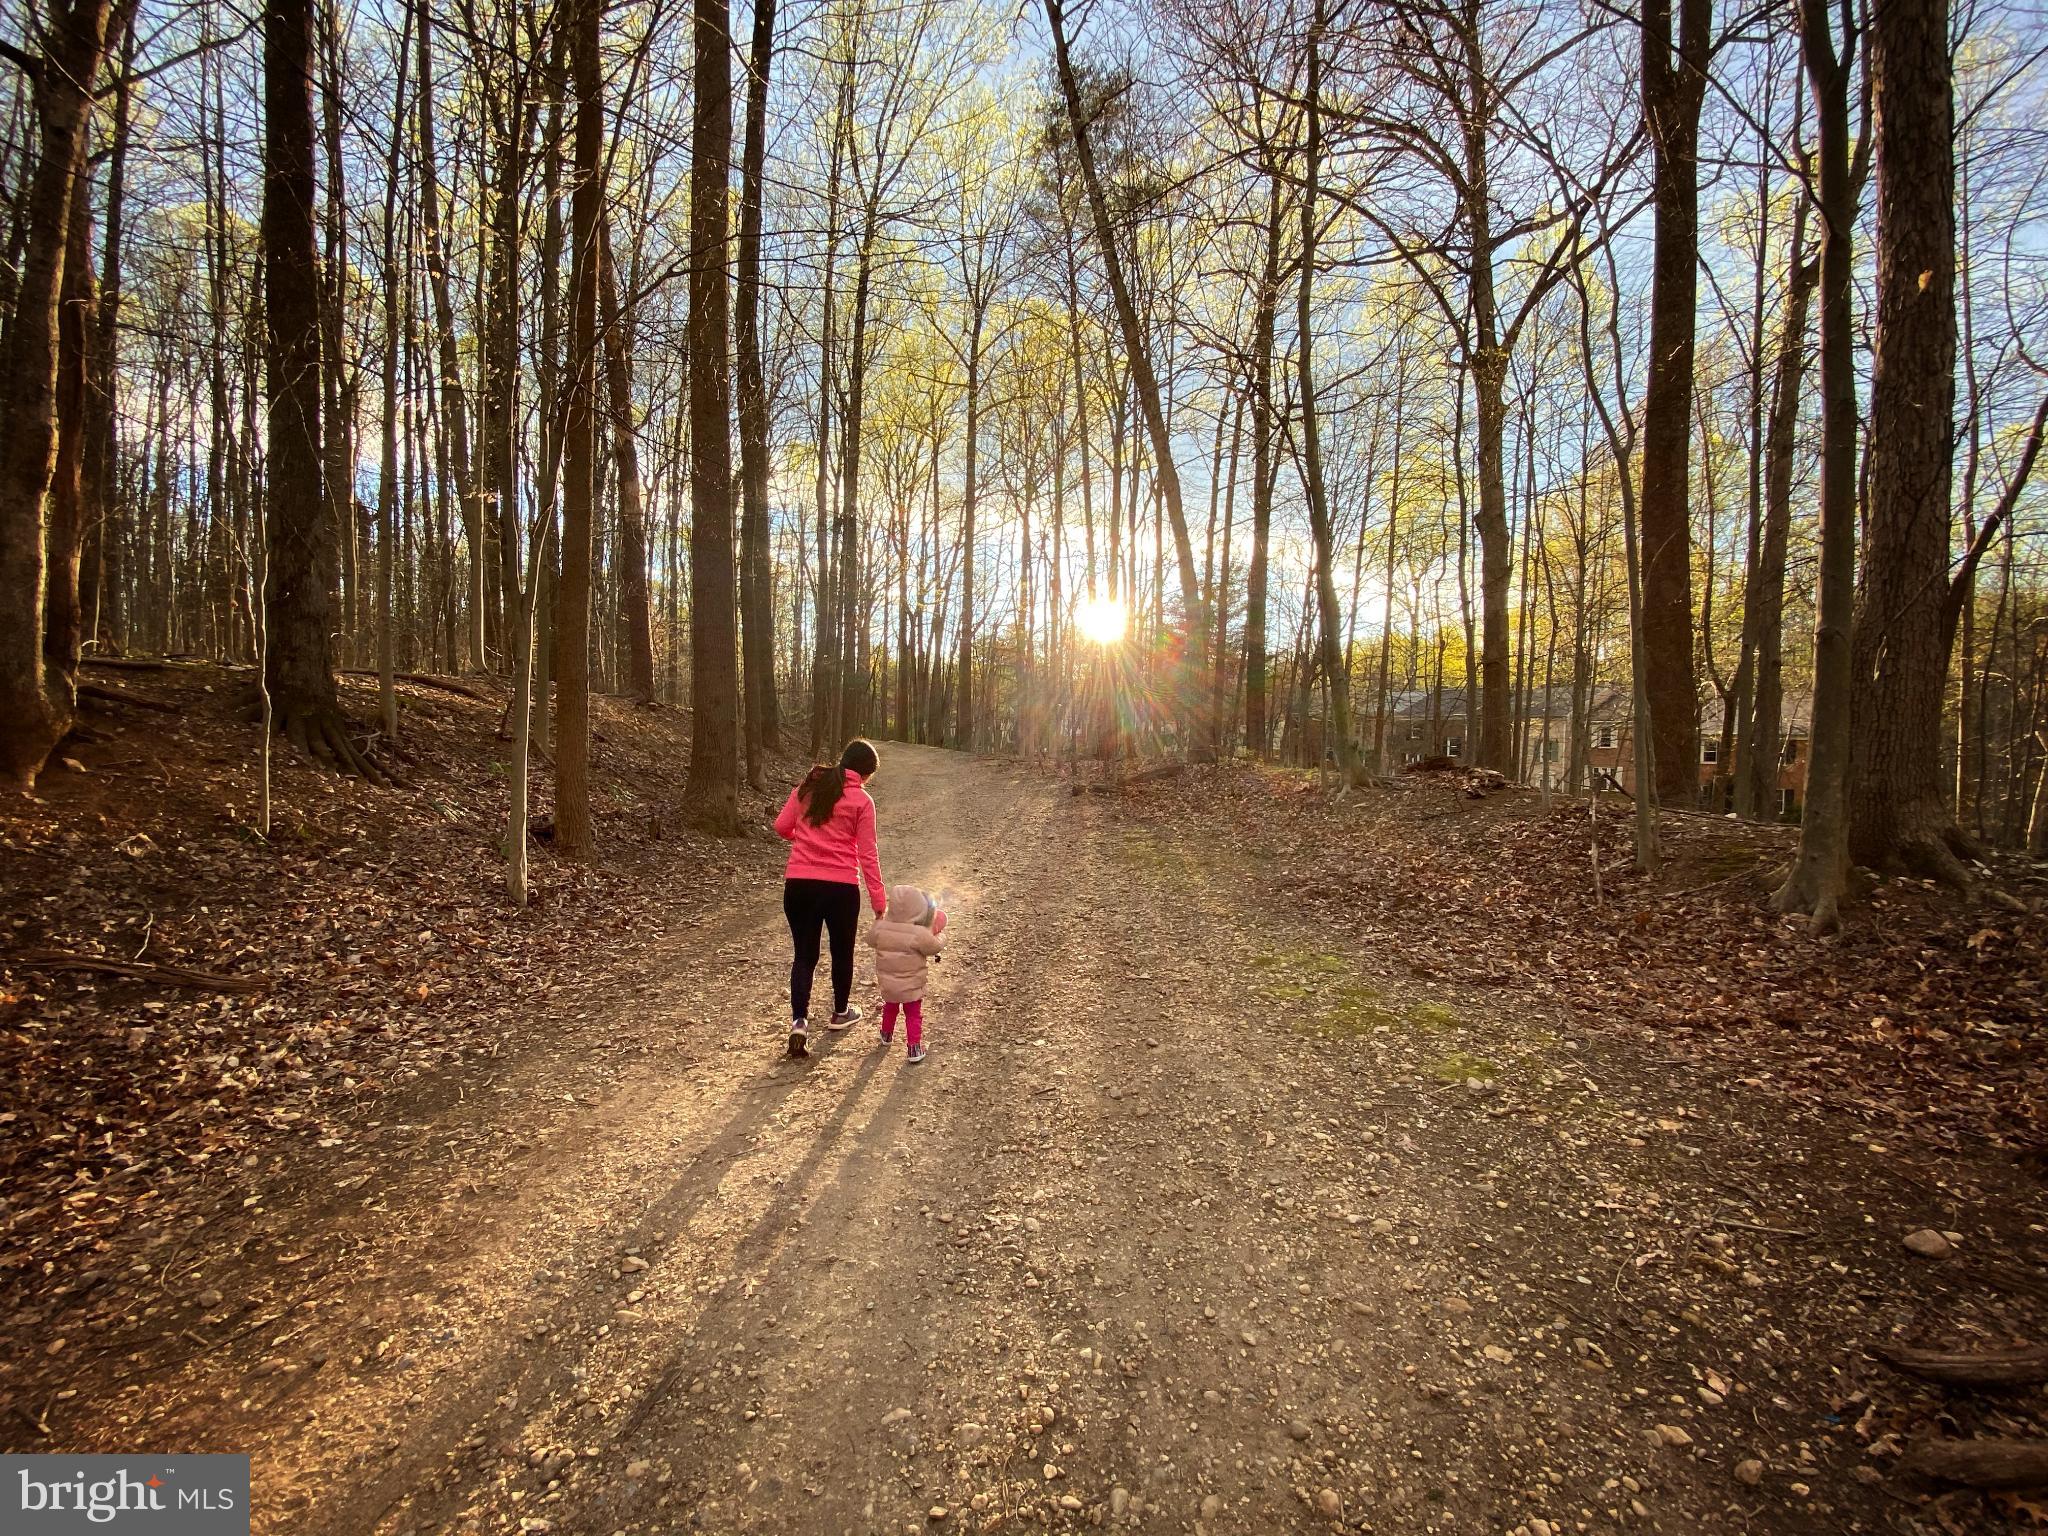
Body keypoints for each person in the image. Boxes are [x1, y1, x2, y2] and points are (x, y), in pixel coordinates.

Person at [774, 739, 886, 1058]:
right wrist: (879, 901)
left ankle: (799, 1021)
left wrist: (806, 840)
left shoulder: (809, 788)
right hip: (840, 889)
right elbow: (868, 854)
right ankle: (839, 1013)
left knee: (804, 956)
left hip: (799, 885)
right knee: (842, 953)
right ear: (864, 775)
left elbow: (782, 826)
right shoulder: (861, 800)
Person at [867, 885, 947, 1065]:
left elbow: (870, 939)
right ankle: (914, 1047)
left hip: (888, 984)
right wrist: (941, 936)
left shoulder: (882, 928)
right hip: (911, 986)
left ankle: (886, 1035)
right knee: (913, 1014)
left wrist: (879, 921)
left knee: (890, 1007)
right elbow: (934, 946)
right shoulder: (918, 933)